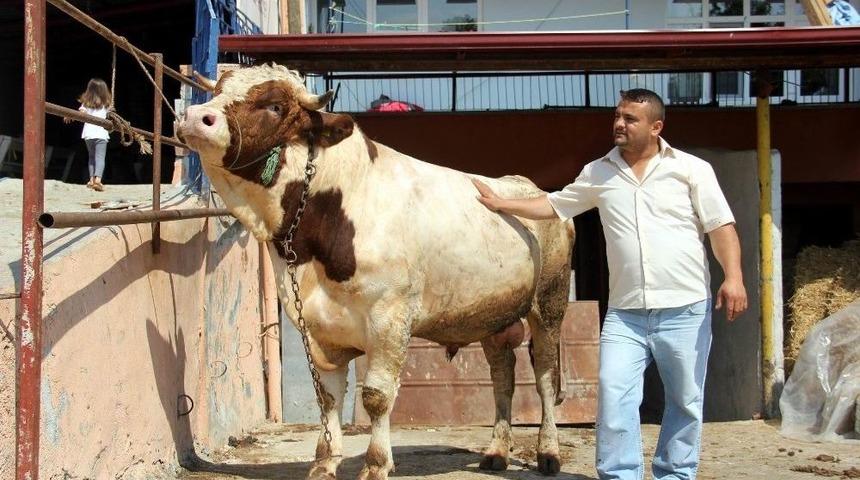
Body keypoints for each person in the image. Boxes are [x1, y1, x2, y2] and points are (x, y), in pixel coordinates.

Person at [472, 88, 747, 480]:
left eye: (630, 119)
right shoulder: (599, 172)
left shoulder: (691, 170)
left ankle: (675, 473)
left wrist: (733, 278)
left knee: (685, 401)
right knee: (615, 397)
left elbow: (720, 228)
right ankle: (620, 475)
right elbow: (555, 205)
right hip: (626, 315)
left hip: (685, 309)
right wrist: (503, 203)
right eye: (617, 116)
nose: (619, 124)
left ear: (656, 127)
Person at [65, 78, 112, 191]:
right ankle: (98, 180)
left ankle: (91, 180)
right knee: (100, 157)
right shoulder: (107, 104)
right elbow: (111, 115)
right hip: (101, 134)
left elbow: (81, 113)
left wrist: (71, 115)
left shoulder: (86, 103)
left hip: (88, 134)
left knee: (91, 157)